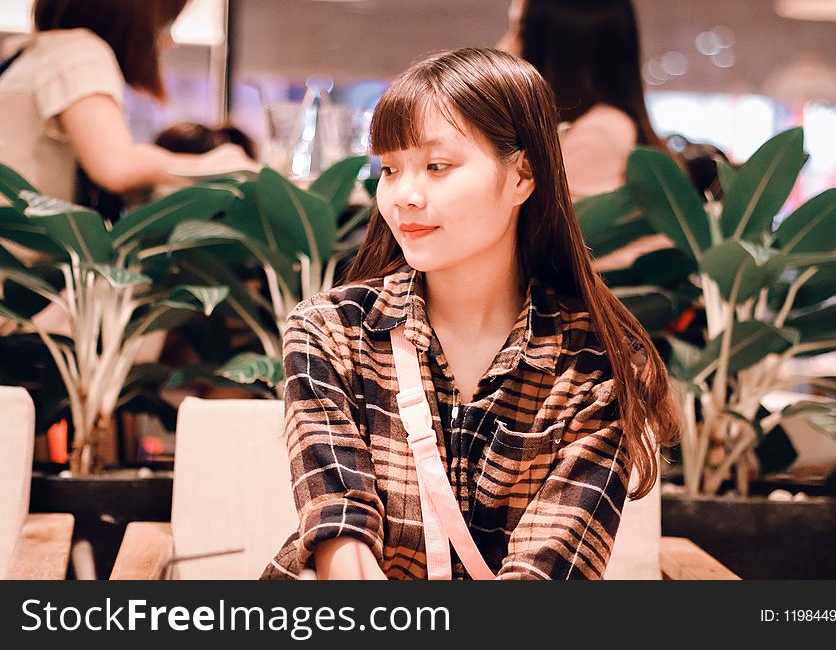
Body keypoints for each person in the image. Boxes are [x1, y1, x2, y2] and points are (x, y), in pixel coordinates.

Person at [261, 47, 679, 581]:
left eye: (437, 166)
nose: (404, 196)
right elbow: (340, 534)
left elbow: (549, 572)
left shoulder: (597, 366)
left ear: (523, 176)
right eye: (391, 169)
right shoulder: (329, 331)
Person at [0, 0, 254, 218]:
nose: (170, 40)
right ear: (133, 16)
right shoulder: (79, 52)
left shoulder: (29, 54)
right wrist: (213, 166)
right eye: (166, 21)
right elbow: (115, 166)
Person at [498, 0, 674, 271]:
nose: (505, 46)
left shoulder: (598, 134)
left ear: (559, 50)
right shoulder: (604, 126)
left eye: (519, 30)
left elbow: (549, 251)